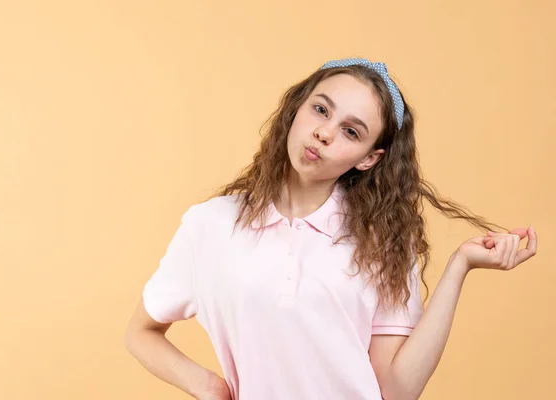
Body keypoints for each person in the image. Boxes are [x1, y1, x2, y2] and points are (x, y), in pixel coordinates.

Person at [124, 57, 538, 400]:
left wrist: (459, 266)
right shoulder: (210, 224)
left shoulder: (384, 243)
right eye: (321, 110)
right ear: (296, 109)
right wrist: (208, 385)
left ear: (368, 159)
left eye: (350, 131)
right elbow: (141, 332)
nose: (324, 133)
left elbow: (395, 391)